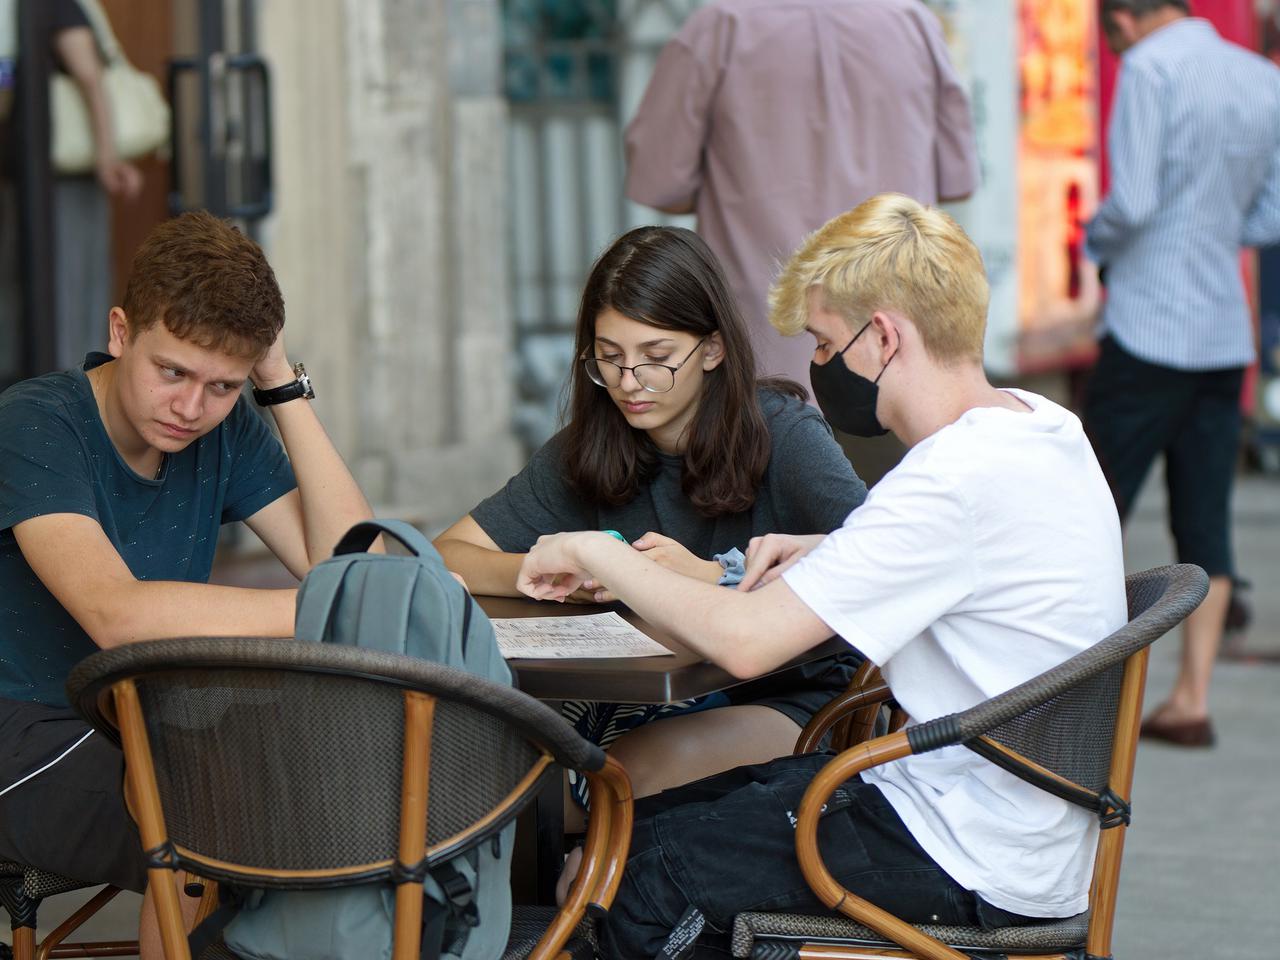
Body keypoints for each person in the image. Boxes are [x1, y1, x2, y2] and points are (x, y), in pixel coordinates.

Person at [517, 194, 1128, 959]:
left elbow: (744, 646)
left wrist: (598, 553)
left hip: (965, 854)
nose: (816, 364)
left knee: (630, 886)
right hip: (995, 824)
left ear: (882, 337)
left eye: (822, 339)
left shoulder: (949, 480)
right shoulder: (1038, 426)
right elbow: (960, 561)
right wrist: (836, 555)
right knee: (629, 833)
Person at [0, 211, 375, 959]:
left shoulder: (225, 428)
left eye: (222, 385)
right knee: (212, 809)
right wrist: (333, 607)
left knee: (339, 789)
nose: (191, 408)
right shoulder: (34, 423)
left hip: (149, 725)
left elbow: (346, 559)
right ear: (119, 331)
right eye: (172, 371)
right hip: (23, 734)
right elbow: (116, 614)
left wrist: (278, 386)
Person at [434, 225, 868, 819]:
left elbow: (875, 557)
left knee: (617, 781)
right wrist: (552, 573)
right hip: (631, 697)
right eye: (608, 359)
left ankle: (592, 901)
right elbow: (448, 552)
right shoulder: (587, 448)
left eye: (656, 359)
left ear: (712, 349)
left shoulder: (784, 434)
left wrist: (716, 576)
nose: (629, 383)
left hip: (791, 697)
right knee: (488, 768)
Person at [1083, 0, 1280, 747]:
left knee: (1094, 508)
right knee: (1206, 519)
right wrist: (1215, 228)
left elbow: (1128, 203)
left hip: (1146, 323)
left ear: (1124, 21)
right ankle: (1191, 698)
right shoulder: (1260, 77)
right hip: (1222, 331)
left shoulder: (1148, 69)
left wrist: (1091, 241)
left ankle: (1075, 694)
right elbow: (1271, 215)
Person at [623, 0, 978, 394]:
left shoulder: (718, 27)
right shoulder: (914, 24)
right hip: (897, 354)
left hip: (765, 360)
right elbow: (957, 179)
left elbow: (660, 186)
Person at [0, 0, 147, 375]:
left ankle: (69, 386)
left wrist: (106, 157)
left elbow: (90, 76)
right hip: (33, 178)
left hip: (62, 181)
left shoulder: (53, 5)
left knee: (65, 287)